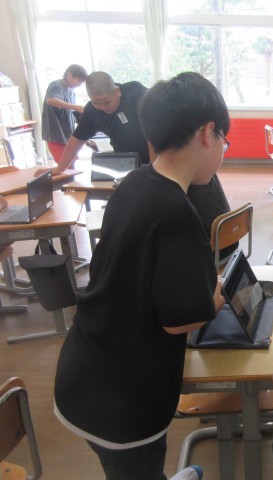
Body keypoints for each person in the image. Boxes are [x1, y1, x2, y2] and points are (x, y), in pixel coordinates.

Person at [54, 72, 229, 480]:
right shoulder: (177, 211)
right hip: (123, 400)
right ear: (207, 133)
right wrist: (216, 296)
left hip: (85, 367)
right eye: (225, 139)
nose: (223, 148)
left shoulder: (134, 183)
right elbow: (181, 320)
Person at [38, 71, 237, 258]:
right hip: (145, 169)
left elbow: (152, 134)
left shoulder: (136, 94)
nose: (103, 108)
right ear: (208, 133)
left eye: (106, 102)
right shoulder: (172, 207)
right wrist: (61, 168)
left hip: (154, 168)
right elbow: (77, 139)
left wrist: (154, 171)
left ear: (117, 91)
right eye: (97, 103)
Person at [41, 64, 87, 164]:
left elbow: (70, 114)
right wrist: (76, 107)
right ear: (69, 75)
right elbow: (51, 100)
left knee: (71, 164)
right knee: (65, 166)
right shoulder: (56, 85)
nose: (79, 85)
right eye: (78, 81)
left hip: (67, 135)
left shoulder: (71, 92)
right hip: (56, 135)